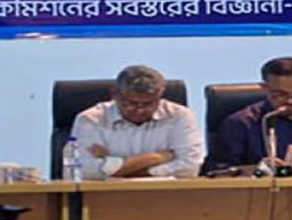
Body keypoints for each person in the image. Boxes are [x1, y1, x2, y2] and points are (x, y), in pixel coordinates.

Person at [71, 65, 203, 179]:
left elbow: (190, 167)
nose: (140, 110)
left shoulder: (179, 116)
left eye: (149, 104)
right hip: (106, 195)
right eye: (132, 103)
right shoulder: (91, 119)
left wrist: (116, 167)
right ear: (115, 94)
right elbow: (84, 170)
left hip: (166, 194)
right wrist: (156, 157)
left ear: (160, 96)